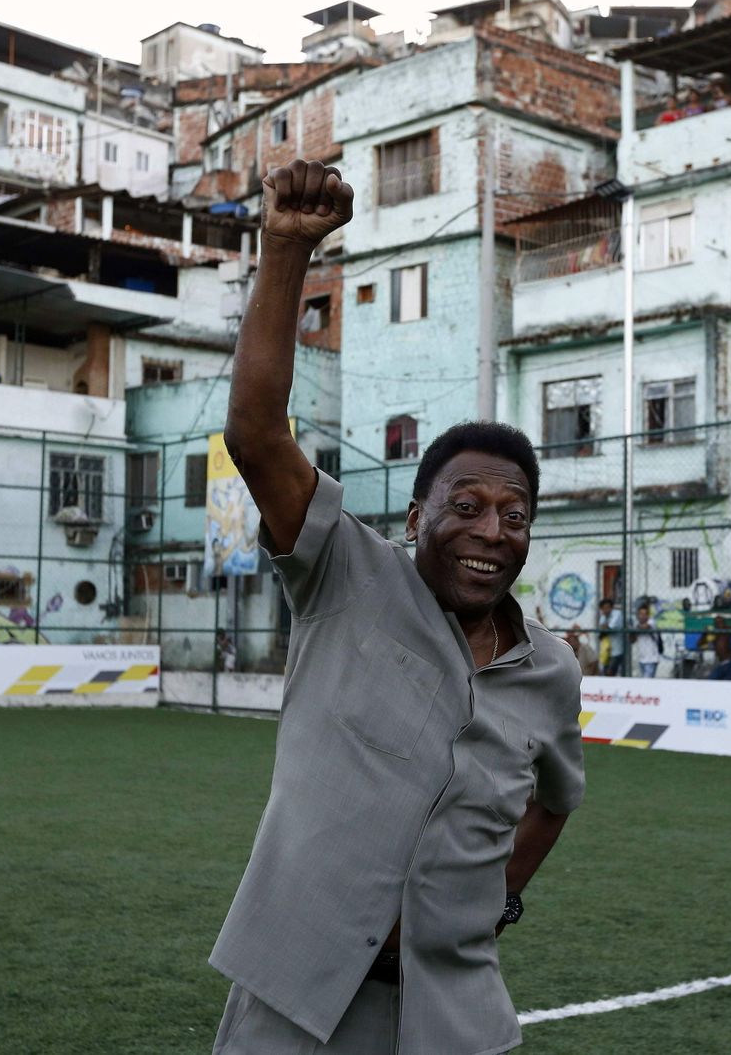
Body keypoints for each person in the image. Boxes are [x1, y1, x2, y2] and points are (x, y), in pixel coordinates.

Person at [207, 160, 584, 1055]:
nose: (491, 530)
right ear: (416, 518)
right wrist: (287, 251)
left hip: (453, 1012)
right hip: (296, 998)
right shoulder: (344, 573)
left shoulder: (551, 671)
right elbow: (255, 433)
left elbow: (557, 800)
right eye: (467, 506)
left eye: (515, 516)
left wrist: (496, 901)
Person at [630, 603, 662, 678]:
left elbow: (645, 627)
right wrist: (632, 632)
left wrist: (633, 628)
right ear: (638, 615)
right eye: (640, 614)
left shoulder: (652, 622)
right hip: (641, 659)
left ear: (648, 615)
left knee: (646, 681)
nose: (642, 616)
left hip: (651, 659)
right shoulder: (637, 624)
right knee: (644, 682)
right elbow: (632, 640)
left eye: (644, 614)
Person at [597, 597, 625, 676]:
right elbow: (602, 629)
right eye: (604, 608)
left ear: (611, 608)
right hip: (606, 650)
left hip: (617, 649)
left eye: (608, 607)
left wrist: (605, 627)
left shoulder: (617, 614)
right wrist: (605, 627)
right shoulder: (603, 616)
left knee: (610, 672)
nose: (606, 610)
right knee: (605, 671)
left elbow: (609, 627)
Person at [708, 614, 731, 680]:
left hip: (729, 663)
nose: (719, 624)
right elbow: (699, 643)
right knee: (710, 681)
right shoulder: (713, 634)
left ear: (724, 624)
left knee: (730, 682)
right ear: (715, 625)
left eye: (721, 622)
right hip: (720, 663)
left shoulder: (727, 632)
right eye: (717, 623)